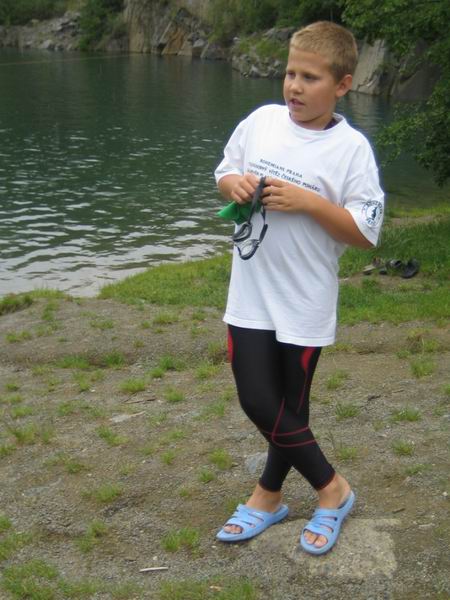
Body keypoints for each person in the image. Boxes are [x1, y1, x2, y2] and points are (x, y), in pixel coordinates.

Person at [214, 21, 384, 555]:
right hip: (250, 295)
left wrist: (309, 202)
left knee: (291, 406)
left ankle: (267, 496)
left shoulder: (351, 150)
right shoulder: (261, 122)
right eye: (291, 73)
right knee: (258, 399)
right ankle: (333, 489)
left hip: (304, 302)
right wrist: (235, 184)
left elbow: (365, 233)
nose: (294, 86)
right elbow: (224, 172)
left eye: (310, 78)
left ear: (343, 84)